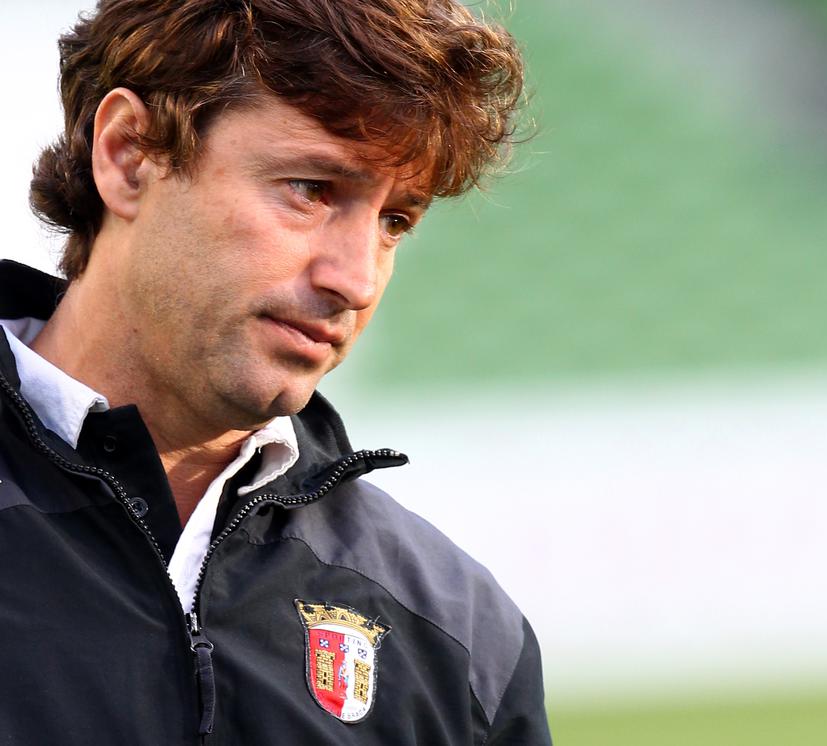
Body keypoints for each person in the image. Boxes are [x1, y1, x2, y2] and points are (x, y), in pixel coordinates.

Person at [0, 0, 551, 743]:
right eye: (311, 189)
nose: (356, 281)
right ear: (129, 154)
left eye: (395, 221)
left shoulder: (460, 633)